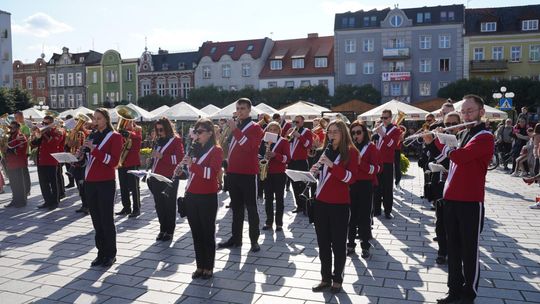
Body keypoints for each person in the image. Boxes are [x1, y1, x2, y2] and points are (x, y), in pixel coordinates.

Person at [431, 95, 494, 304]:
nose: (466, 115)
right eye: (464, 111)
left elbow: (462, 157)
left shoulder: (485, 136)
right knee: (453, 248)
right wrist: (439, 142)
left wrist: (443, 144)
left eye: (470, 111)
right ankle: (454, 290)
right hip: (451, 198)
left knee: (469, 249)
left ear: (481, 112)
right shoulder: (464, 133)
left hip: (470, 201)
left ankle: (469, 294)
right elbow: (454, 159)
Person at [310, 119, 358, 294]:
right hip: (321, 203)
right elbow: (318, 177)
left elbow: (351, 179)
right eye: (329, 132)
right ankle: (325, 278)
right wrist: (312, 173)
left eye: (335, 131)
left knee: (338, 244)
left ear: (343, 133)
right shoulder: (324, 151)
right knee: (323, 243)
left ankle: (338, 278)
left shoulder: (351, 153)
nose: (331, 135)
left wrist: (332, 166)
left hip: (339, 205)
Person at [218, 98, 264, 252]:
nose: (239, 111)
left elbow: (249, 147)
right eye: (238, 108)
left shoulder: (255, 128)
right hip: (233, 172)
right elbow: (226, 145)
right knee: (236, 208)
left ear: (249, 110)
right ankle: (236, 238)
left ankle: (254, 240)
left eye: (243, 108)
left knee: (251, 208)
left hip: (249, 173)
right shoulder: (234, 126)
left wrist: (235, 130)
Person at [180, 118, 223, 280]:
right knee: (196, 233)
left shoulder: (216, 151)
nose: (196, 135)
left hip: (207, 197)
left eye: (200, 132)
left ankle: (209, 267)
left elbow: (210, 174)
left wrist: (192, 165)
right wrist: (183, 171)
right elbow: (191, 173)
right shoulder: (194, 149)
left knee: (207, 232)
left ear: (210, 133)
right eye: (195, 132)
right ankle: (199, 266)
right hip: (191, 196)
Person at [83, 108, 122, 268]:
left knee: (106, 220)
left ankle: (110, 254)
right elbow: (88, 159)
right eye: (94, 118)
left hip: (106, 182)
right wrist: (79, 156)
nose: (95, 121)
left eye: (98, 118)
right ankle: (101, 252)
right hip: (90, 182)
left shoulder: (115, 137)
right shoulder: (92, 136)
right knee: (96, 220)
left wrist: (94, 150)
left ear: (106, 119)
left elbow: (113, 162)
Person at [424, 112, 462, 265]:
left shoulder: (461, 140)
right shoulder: (442, 138)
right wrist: (429, 143)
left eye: (454, 124)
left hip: (458, 187)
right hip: (441, 185)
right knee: (440, 222)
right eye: (448, 125)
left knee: (455, 225)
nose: (450, 127)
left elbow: (452, 159)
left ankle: (455, 252)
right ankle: (442, 251)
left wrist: (436, 144)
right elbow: (435, 159)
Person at [147, 117, 185, 242]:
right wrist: (151, 160)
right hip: (155, 176)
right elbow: (157, 157)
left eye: (161, 129)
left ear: (167, 128)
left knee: (169, 205)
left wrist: (162, 156)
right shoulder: (158, 140)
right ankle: (162, 229)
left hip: (170, 177)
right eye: (157, 130)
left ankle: (170, 231)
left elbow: (179, 159)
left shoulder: (176, 140)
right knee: (159, 205)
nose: (159, 132)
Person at [348, 121, 379, 258]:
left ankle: (365, 245)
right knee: (351, 215)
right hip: (350, 184)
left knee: (364, 216)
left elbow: (378, 168)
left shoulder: (371, 147)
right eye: (353, 133)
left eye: (358, 132)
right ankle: (350, 244)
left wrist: (361, 163)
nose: (356, 135)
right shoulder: (349, 147)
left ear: (364, 133)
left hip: (365, 185)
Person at [260, 121, 290, 232]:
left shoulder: (283, 141)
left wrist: (275, 155)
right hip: (267, 173)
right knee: (267, 199)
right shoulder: (264, 141)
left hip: (279, 174)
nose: (272, 131)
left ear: (279, 131)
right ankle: (268, 222)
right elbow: (258, 155)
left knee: (279, 199)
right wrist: (262, 158)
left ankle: (279, 223)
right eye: (270, 129)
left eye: (275, 129)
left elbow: (288, 158)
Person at [31, 115, 63, 210]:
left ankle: (54, 202)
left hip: (51, 161)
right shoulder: (42, 132)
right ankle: (47, 201)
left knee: (53, 182)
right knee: (43, 183)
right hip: (41, 161)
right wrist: (35, 134)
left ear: (52, 124)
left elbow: (53, 142)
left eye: (46, 123)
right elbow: (34, 144)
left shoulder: (57, 132)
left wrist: (43, 132)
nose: (43, 125)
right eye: (43, 123)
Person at [373, 109, 400, 219]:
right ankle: (376, 210)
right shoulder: (380, 128)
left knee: (387, 188)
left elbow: (392, 145)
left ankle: (388, 211)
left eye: (385, 118)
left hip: (387, 162)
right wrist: (375, 135)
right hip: (377, 161)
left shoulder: (396, 130)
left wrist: (383, 134)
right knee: (376, 187)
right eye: (382, 118)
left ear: (390, 118)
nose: (383, 120)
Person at [287, 115, 313, 213]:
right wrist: (289, 135)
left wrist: (299, 136)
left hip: (301, 161)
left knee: (303, 185)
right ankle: (299, 206)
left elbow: (308, 145)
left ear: (302, 122)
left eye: (297, 122)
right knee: (294, 184)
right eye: (294, 121)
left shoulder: (307, 132)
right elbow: (286, 142)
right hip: (292, 162)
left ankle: (306, 207)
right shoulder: (291, 131)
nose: (295, 123)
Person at [116, 120, 142, 218]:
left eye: (128, 121)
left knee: (134, 187)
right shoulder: (120, 132)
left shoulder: (137, 130)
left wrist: (129, 133)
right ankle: (126, 207)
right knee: (123, 187)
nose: (126, 124)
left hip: (133, 162)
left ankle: (136, 209)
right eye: (124, 121)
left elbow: (138, 138)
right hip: (122, 162)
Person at [3, 121, 28, 208]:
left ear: (17, 128)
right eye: (10, 127)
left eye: (13, 128)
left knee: (19, 183)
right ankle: (15, 200)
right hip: (10, 162)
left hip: (18, 162)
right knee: (13, 183)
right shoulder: (10, 136)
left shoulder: (20, 136)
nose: (11, 129)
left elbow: (20, 149)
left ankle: (22, 201)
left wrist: (7, 149)